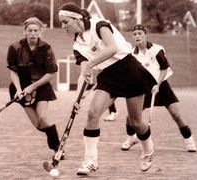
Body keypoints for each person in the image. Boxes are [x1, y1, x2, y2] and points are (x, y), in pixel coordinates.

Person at [58, 2, 157, 175]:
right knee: (92, 113)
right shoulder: (77, 45)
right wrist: (76, 98)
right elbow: (84, 73)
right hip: (108, 75)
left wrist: (91, 64)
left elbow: (113, 48)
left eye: (65, 22)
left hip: (130, 70)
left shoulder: (99, 24)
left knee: (136, 122)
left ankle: (148, 151)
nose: (62, 26)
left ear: (77, 19)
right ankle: (91, 161)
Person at [121, 24, 197, 152]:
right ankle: (132, 138)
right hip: (144, 87)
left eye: (140, 33)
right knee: (130, 117)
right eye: (135, 34)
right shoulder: (132, 54)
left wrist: (157, 84)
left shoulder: (156, 50)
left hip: (162, 85)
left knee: (176, 114)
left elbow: (164, 68)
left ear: (146, 34)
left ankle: (189, 140)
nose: (137, 36)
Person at [6, 17, 64, 158]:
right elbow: (13, 71)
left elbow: (51, 73)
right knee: (38, 125)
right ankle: (54, 138)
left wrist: (33, 86)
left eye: (36, 30)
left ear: (41, 32)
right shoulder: (14, 48)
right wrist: (19, 90)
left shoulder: (46, 48)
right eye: (30, 30)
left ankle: (58, 148)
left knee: (43, 117)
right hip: (21, 87)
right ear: (24, 32)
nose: (33, 33)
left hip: (41, 85)